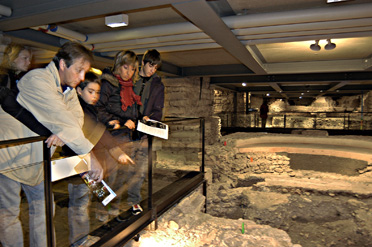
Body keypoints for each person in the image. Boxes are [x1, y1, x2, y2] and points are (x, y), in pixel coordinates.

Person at [0, 41, 102, 247]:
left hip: (38, 159)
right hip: (9, 157)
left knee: (44, 210)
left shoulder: (69, 91)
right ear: (63, 64)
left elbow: (75, 120)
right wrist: (90, 157)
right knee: (8, 214)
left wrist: (64, 132)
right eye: (79, 70)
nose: (82, 77)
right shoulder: (36, 80)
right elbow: (61, 117)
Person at [61, 72, 133, 245]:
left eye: (97, 92)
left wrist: (116, 152)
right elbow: (90, 134)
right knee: (79, 205)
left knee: (84, 203)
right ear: (79, 90)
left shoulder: (89, 109)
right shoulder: (76, 110)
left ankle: (82, 239)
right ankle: (79, 242)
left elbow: (100, 132)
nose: (95, 96)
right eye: (91, 91)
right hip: (78, 163)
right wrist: (115, 152)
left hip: (87, 163)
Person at [95, 50, 141, 218]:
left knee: (119, 177)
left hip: (124, 138)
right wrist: (119, 123)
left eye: (132, 69)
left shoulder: (128, 87)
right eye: (126, 68)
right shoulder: (108, 83)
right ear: (118, 66)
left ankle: (111, 208)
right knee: (107, 177)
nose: (129, 73)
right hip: (109, 138)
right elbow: (98, 108)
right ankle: (101, 210)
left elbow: (129, 111)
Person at [129, 49, 164, 215]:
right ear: (143, 63)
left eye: (156, 67)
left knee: (140, 171)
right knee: (121, 171)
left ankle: (133, 202)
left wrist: (149, 121)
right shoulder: (130, 78)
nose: (153, 70)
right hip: (126, 132)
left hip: (144, 133)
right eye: (151, 65)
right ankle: (111, 205)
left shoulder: (158, 84)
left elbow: (158, 110)